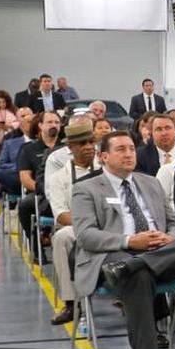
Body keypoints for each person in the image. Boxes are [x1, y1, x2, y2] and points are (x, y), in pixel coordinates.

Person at [71, 131, 175, 349]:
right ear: (103, 156)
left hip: (159, 252)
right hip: (117, 252)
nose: (128, 154)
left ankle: (137, 264)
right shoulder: (86, 188)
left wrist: (170, 237)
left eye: (131, 149)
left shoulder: (150, 182)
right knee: (140, 276)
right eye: (121, 149)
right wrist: (130, 241)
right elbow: (85, 236)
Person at [47, 122, 99, 324]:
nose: (88, 147)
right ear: (71, 147)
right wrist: (87, 223)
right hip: (78, 227)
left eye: (91, 142)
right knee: (61, 237)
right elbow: (60, 215)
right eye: (82, 143)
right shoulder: (59, 178)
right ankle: (70, 303)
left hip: (110, 224)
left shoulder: (107, 169)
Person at [17, 111, 62, 247]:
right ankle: (36, 246)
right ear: (40, 125)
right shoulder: (28, 149)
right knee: (24, 205)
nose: (54, 125)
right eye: (49, 122)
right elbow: (25, 178)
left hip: (65, 192)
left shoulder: (66, 147)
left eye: (57, 122)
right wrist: (43, 188)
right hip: (40, 193)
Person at [0, 107, 34, 196]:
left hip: (36, 173)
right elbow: (2, 163)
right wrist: (20, 168)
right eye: (22, 116)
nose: (25, 119)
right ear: (18, 120)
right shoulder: (9, 140)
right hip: (16, 174)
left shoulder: (42, 139)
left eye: (29, 118)